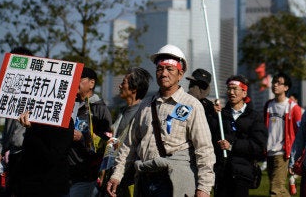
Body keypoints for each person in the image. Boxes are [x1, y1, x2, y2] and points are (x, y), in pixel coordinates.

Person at [105, 44, 215, 197]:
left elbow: (204, 149)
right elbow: (129, 144)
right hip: (143, 178)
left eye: (170, 69)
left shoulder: (192, 105)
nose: (164, 73)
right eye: (160, 69)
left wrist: (204, 187)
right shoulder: (145, 105)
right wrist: (117, 175)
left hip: (172, 181)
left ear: (180, 74)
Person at [213, 75, 267, 197]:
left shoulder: (254, 117)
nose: (231, 92)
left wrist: (232, 146)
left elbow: (259, 146)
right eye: (228, 89)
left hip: (242, 174)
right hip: (222, 173)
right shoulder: (221, 115)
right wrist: (214, 116)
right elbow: (211, 138)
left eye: (234, 89)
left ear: (244, 92)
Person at [105, 67, 152, 197]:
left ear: (134, 89)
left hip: (130, 178)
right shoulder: (123, 111)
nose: (120, 85)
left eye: (124, 82)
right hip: (115, 174)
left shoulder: (143, 112)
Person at [69, 67, 113, 197]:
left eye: (79, 78)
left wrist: (83, 137)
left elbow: (108, 142)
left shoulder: (100, 109)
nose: (74, 81)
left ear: (91, 83)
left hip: (87, 175)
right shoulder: (71, 105)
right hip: (67, 172)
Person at [16, 108, 74, 196]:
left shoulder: (65, 121)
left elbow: (53, 156)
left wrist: (32, 130)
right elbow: (27, 153)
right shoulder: (34, 120)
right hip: (29, 185)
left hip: (53, 186)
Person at [0, 46, 34, 196]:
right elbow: (8, 125)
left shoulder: (37, 91)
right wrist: (3, 149)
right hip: (11, 153)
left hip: (27, 153)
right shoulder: (9, 90)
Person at [263, 72, 302, 197]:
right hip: (269, 151)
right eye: (274, 82)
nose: (275, 85)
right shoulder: (268, 105)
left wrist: (297, 154)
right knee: (279, 188)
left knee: (275, 189)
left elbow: (300, 131)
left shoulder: (293, 107)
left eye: (279, 83)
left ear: (286, 87)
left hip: (283, 153)